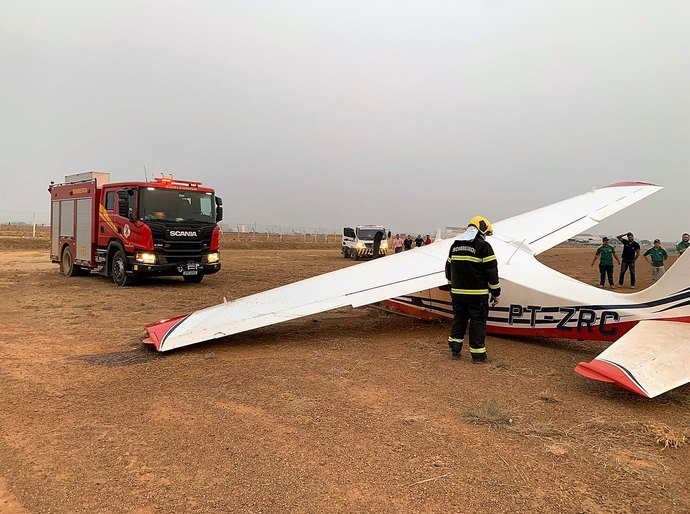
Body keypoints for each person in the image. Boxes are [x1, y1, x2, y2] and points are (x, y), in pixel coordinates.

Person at [444, 216, 500, 364]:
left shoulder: (455, 245)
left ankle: (455, 350)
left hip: (457, 294)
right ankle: (478, 356)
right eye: (486, 234)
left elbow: (448, 269)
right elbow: (491, 272)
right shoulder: (484, 247)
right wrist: (496, 293)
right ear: (481, 230)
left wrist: (452, 287)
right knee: (477, 323)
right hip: (477, 295)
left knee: (459, 319)